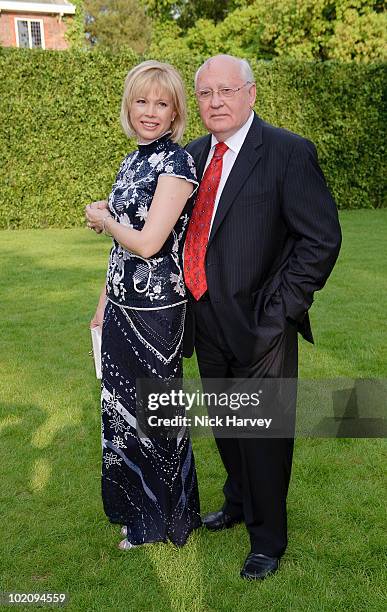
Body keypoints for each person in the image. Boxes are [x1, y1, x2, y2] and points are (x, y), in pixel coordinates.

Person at [183, 55, 342, 579]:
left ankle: (268, 540)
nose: (216, 102)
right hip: (205, 317)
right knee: (227, 425)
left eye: (226, 91)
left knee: (264, 435)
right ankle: (236, 502)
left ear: (251, 93)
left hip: (262, 325)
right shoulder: (194, 155)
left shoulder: (287, 152)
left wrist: (280, 313)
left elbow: (320, 239)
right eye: (205, 94)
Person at [85, 60, 201, 550]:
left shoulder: (176, 164)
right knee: (120, 411)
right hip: (121, 304)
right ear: (128, 107)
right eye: (142, 101)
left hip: (156, 312)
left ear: (175, 112)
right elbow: (121, 246)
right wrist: (102, 301)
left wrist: (103, 218)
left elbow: (150, 243)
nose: (150, 112)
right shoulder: (132, 161)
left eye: (162, 103)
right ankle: (137, 513)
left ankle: (165, 522)